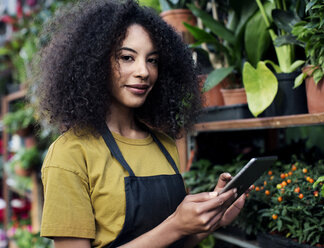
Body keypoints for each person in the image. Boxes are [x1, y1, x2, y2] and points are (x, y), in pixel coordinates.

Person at [34, 0, 247, 247]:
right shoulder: (70, 154)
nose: (144, 71)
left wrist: (211, 220)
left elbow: (175, 241)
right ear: (95, 63)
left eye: (152, 60)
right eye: (127, 57)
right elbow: (172, 229)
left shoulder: (164, 143)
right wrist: (175, 224)